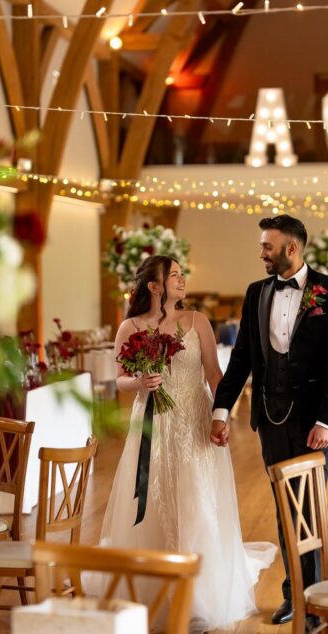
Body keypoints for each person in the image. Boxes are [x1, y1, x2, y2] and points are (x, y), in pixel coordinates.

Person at [95, 255, 275, 632]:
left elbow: (214, 372)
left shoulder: (197, 322)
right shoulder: (130, 326)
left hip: (194, 423)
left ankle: (199, 598)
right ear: (154, 286)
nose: (182, 279)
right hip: (153, 427)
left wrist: (220, 415)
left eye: (181, 274)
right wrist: (140, 383)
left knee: (197, 503)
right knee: (157, 504)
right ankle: (154, 590)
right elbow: (121, 379)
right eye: (174, 274)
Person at [211, 215, 328, 626]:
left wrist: (327, 421)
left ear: (292, 248)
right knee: (282, 509)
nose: (261, 254)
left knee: (308, 509)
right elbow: (241, 360)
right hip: (270, 420)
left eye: (267, 247)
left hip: (312, 424)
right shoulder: (256, 293)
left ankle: (315, 601)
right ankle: (295, 596)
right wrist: (222, 410)